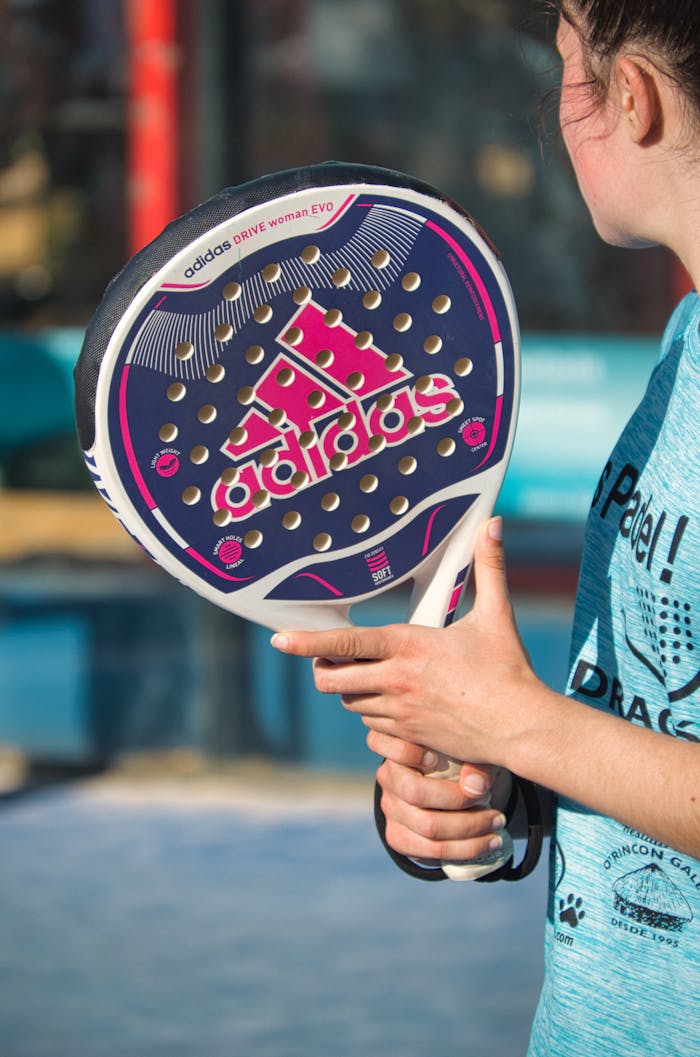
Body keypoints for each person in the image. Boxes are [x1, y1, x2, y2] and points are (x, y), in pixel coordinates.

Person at [271, 1, 700, 1053]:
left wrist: (519, 725)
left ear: (630, 96)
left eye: (563, 64)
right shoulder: (688, 333)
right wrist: (505, 785)